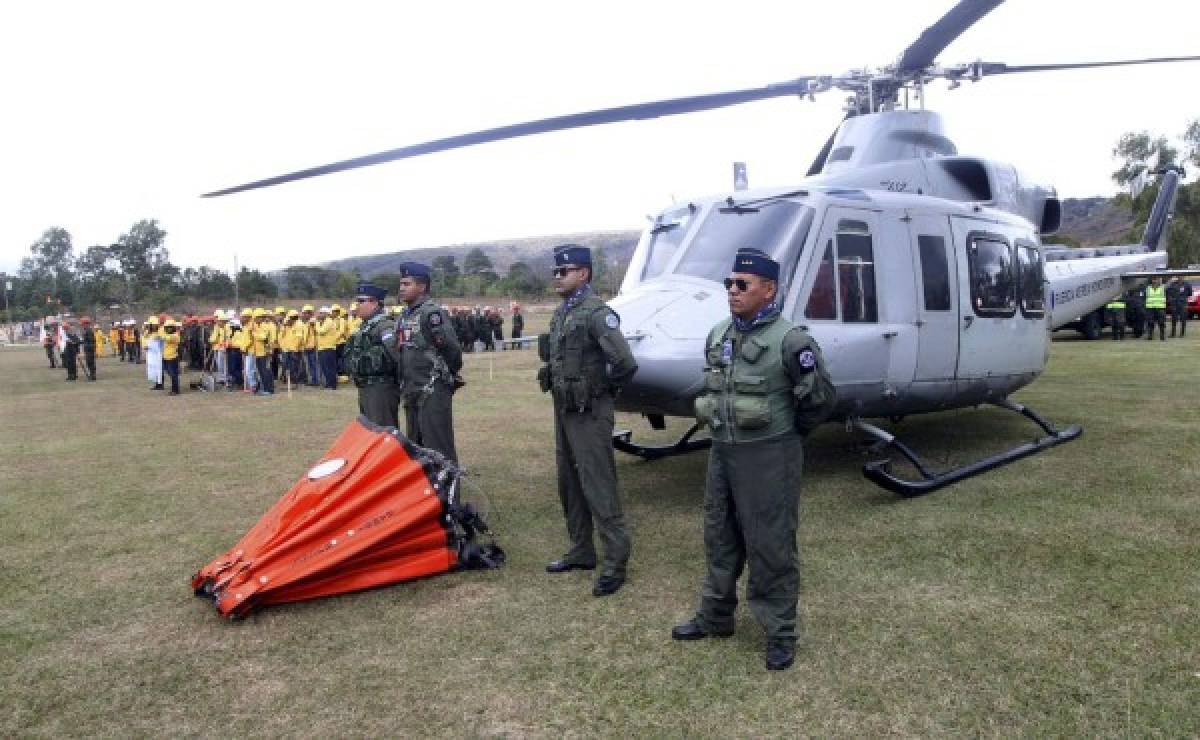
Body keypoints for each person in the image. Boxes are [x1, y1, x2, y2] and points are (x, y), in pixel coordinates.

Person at [671, 247, 834, 672]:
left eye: (742, 284)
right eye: (729, 283)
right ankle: (715, 616)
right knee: (718, 534)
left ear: (769, 289)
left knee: (771, 543)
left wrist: (788, 435)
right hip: (723, 452)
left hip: (769, 454)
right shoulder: (719, 333)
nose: (732, 290)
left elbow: (819, 399)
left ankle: (779, 631)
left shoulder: (792, 340)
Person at [538, 244, 638, 597]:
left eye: (564, 272)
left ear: (583, 273)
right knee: (569, 483)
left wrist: (601, 390)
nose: (557, 277)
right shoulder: (563, 312)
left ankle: (615, 561)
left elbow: (624, 362)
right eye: (555, 272)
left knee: (598, 483)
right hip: (564, 409)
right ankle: (581, 550)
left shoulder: (596, 312)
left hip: (590, 411)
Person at [395, 262, 463, 462]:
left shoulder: (431, 313)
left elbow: (452, 350)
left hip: (432, 389)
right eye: (401, 283)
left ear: (422, 286)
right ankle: (426, 491)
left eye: (407, 284)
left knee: (438, 447)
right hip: (411, 389)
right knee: (416, 447)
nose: (401, 288)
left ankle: (446, 492)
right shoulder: (405, 315)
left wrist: (446, 375)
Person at [345, 283, 404, 427]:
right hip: (367, 387)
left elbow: (397, 356)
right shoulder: (366, 325)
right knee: (370, 431)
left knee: (383, 430)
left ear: (374, 303)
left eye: (361, 301)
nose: (357, 305)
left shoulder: (384, 326)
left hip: (381, 388)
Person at [251, 308, 277, 396]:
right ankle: (264, 388)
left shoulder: (265, 325)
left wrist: (254, 334)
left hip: (265, 352)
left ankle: (269, 389)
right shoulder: (257, 326)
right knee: (261, 372)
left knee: (266, 371)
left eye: (255, 318)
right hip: (258, 353)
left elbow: (264, 337)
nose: (254, 320)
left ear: (259, 317)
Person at [315, 305, 340, 390]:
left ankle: (332, 384)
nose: (319, 314)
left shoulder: (328, 321)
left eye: (321, 313)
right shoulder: (324, 321)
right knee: (324, 367)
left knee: (329, 367)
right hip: (322, 347)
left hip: (328, 347)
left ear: (326, 313)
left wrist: (317, 323)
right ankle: (329, 383)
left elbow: (321, 331)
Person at [161, 318, 182, 395]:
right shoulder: (166, 334)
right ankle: (174, 388)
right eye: (167, 327)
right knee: (168, 372)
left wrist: (161, 334)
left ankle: (175, 390)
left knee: (173, 374)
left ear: (173, 327)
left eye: (170, 327)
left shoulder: (175, 335)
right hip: (165, 356)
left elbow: (167, 338)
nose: (169, 328)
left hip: (172, 357)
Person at [1144, 276, 1167, 341]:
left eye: (1156, 280)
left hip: (1160, 308)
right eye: (1153, 280)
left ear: (1159, 280)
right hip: (1150, 308)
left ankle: (1162, 336)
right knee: (1150, 322)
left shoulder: (1162, 288)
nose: (1154, 281)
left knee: (1161, 322)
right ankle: (1150, 336)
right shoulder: (1148, 288)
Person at [225, 317, 245, 391]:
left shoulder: (239, 333)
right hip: (231, 351)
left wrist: (232, 344)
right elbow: (228, 340)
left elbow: (240, 343)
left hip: (236, 351)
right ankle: (235, 382)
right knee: (231, 368)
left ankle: (239, 382)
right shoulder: (232, 332)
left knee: (235, 368)